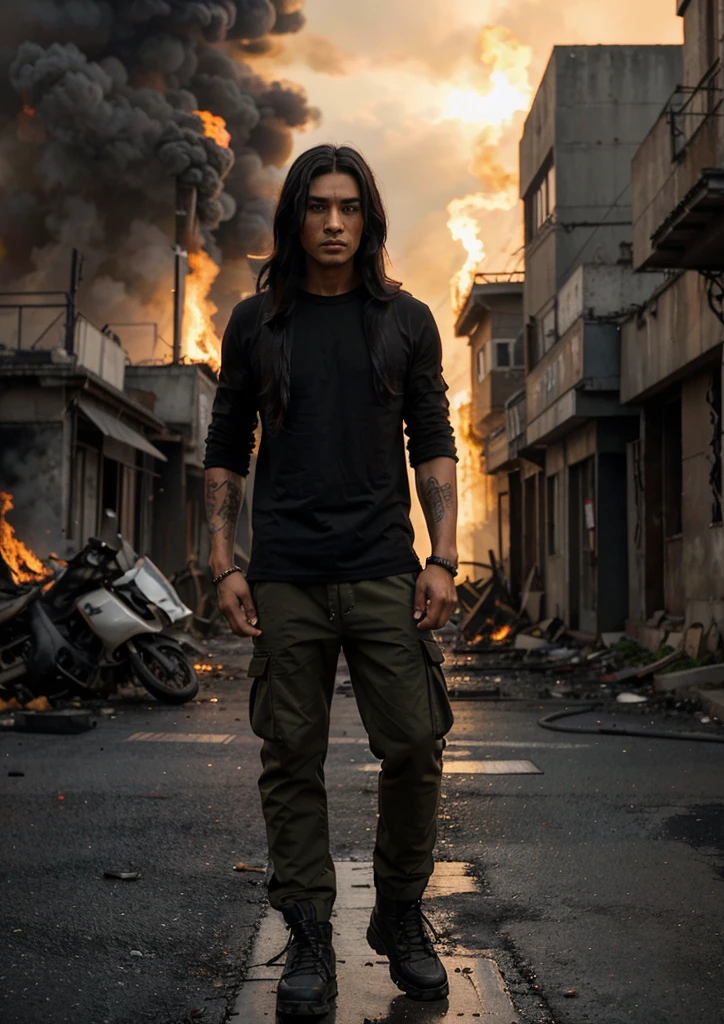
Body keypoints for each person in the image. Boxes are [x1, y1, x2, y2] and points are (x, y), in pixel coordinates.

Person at [203, 143, 459, 1017]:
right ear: (296, 217)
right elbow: (227, 437)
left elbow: (432, 436)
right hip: (287, 576)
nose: (336, 223)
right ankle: (309, 935)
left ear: (370, 217)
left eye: (350, 207)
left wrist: (443, 555)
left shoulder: (405, 320)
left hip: (385, 568)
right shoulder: (256, 323)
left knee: (416, 746)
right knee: (291, 759)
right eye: (319, 207)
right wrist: (223, 559)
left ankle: (398, 913)